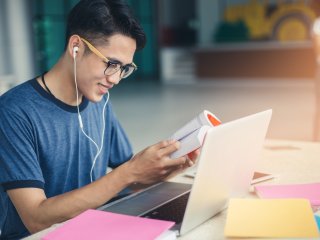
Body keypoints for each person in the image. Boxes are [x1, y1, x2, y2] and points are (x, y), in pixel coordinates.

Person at [0, 0, 199, 239]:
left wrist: (166, 168)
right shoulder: (13, 111)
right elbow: (35, 219)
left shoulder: (99, 102)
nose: (115, 79)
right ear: (76, 47)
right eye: (112, 64)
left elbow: (129, 181)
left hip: (96, 228)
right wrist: (130, 172)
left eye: (124, 68)